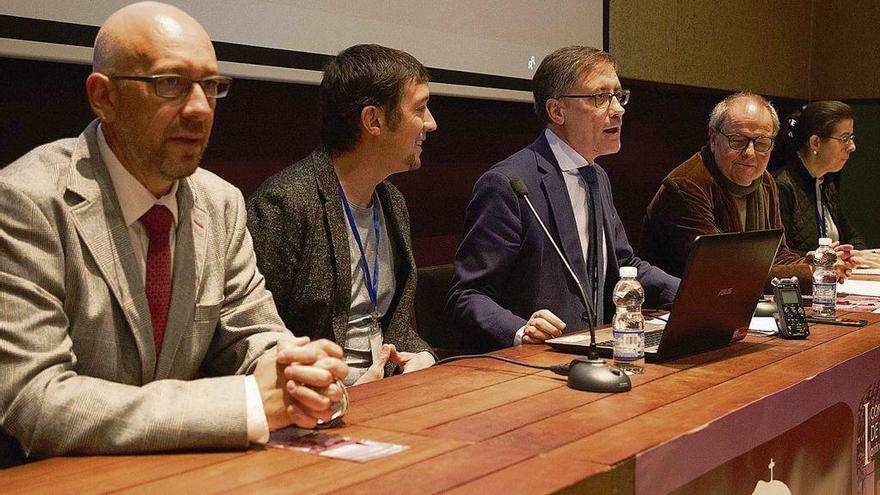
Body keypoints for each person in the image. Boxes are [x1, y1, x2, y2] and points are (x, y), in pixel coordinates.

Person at [0, 2, 347, 464]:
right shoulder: (25, 201)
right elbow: (34, 400)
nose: (200, 108)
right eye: (171, 84)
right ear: (103, 97)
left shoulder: (219, 201)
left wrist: (299, 372)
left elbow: (253, 333)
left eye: (210, 86)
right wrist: (245, 404)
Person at [445, 46, 680, 351]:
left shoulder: (597, 177)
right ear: (557, 111)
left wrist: (693, 292)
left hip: (597, 350)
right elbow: (468, 295)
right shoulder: (509, 184)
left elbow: (624, 264)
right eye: (600, 98)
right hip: (536, 361)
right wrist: (520, 329)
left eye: (618, 96)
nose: (618, 109)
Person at [248, 44, 437, 386]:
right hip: (317, 401)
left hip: (392, 389)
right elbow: (253, 340)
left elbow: (387, 324)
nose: (431, 124)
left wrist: (422, 355)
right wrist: (335, 386)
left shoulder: (391, 202)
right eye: (420, 109)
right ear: (373, 120)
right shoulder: (286, 204)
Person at [642, 93, 855, 282]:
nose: (750, 153)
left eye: (762, 143)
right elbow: (722, 270)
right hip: (673, 312)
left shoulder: (765, 182)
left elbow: (777, 254)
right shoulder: (686, 187)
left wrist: (811, 263)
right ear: (714, 138)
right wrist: (807, 272)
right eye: (738, 140)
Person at [772, 101, 877, 266]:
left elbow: (852, 237)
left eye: (851, 138)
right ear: (815, 142)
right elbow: (781, 255)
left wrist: (854, 255)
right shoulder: (781, 185)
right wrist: (832, 258)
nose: (852, 146)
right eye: (844, 138)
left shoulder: (825, 182)